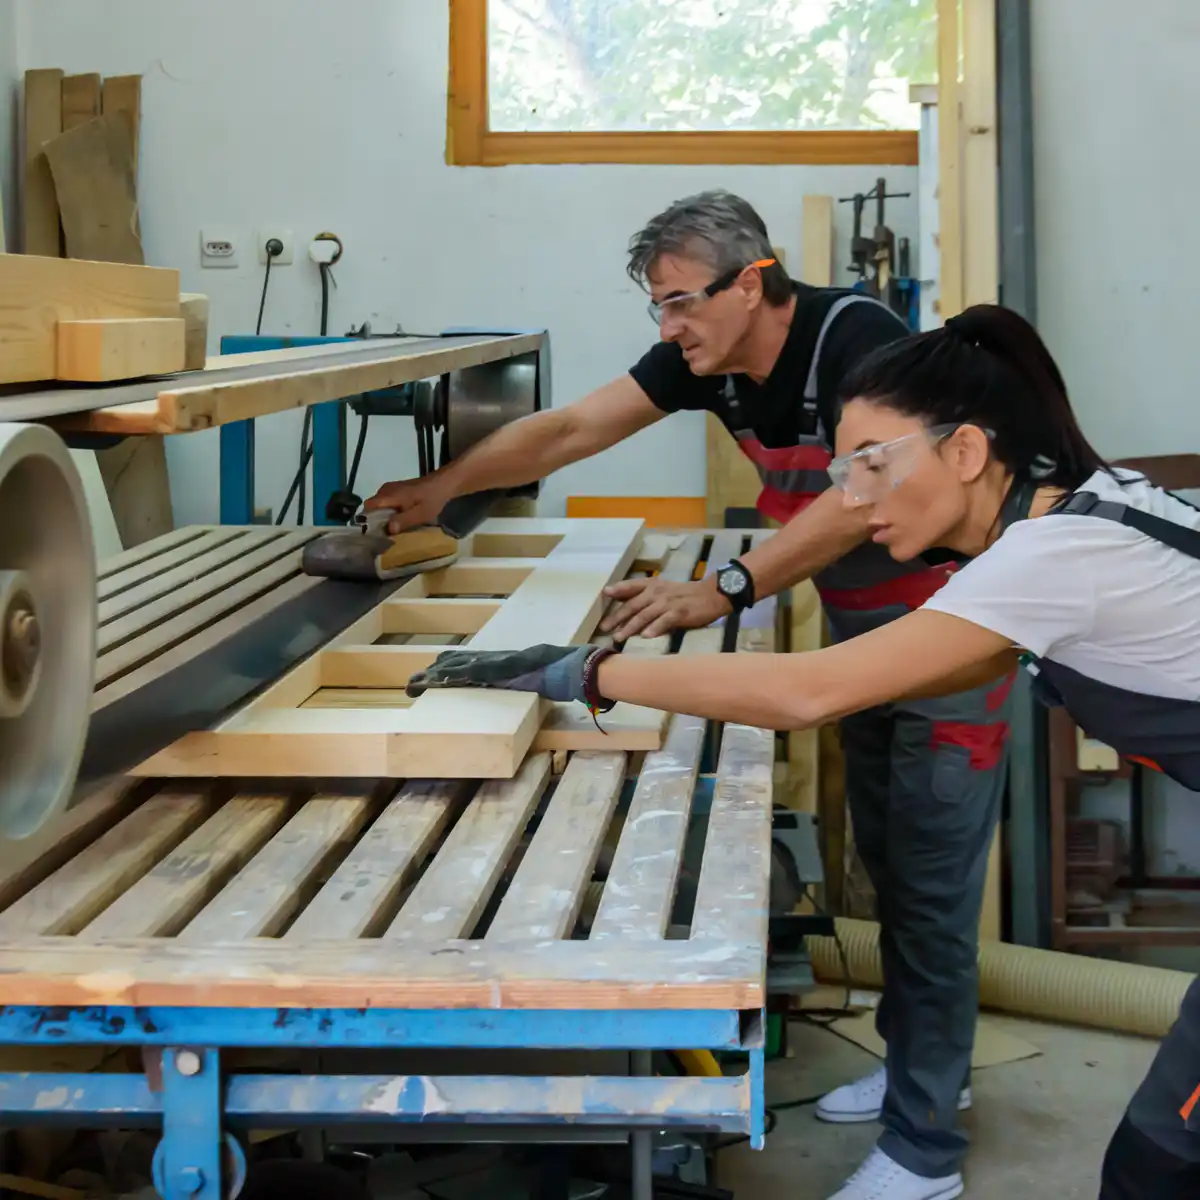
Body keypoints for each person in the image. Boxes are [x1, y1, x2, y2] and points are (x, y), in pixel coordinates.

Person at [403, 302, 1200, 1200]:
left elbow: (807, 692)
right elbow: (923, 668)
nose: (851, 498)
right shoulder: (1082, 514)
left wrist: (589, 673)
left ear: (967, 452)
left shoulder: (1049, 558)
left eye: (873, 464)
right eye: (842, 468)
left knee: (1161, 1160)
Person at [368, 190, 1014, 1198]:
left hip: (947, 645)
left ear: (752, 282)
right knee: (892, 863)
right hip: (863, 639)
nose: (669, 330)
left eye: (681, 303)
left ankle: (925, 1151)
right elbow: (574, 428)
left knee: (930, 885)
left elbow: (860, 502)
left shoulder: (860, 344)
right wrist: (443, 487)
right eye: (657, 309)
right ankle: (923, 1073)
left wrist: (719, 587)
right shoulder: (706, 361)